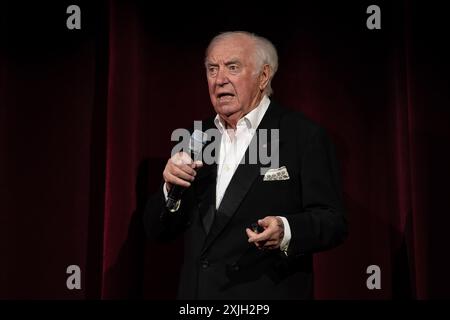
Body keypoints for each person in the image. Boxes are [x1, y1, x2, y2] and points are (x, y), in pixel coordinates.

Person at [144, 31, 348, 299]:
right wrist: (171, 190)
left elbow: (333, 221)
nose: (219, 80)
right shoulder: (196, 137)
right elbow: (157, 231)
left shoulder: (301, 136)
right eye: (212, 69)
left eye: (232, 67)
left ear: (263, 76)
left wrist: (286, 229)